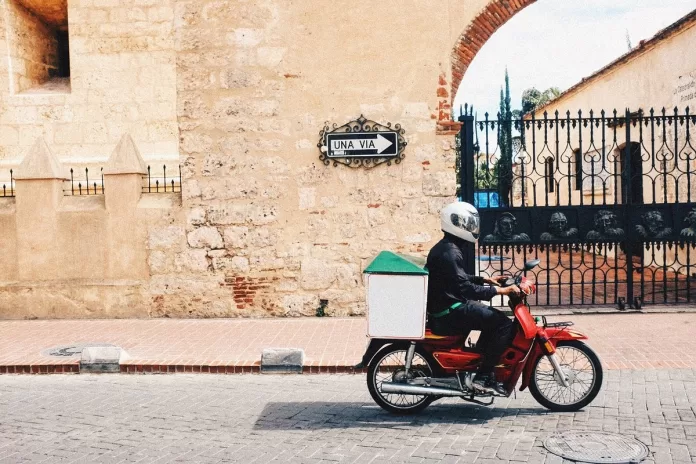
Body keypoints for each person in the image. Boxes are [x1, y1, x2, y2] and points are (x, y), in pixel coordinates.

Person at [426, 202, 521, 395]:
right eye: (467, 223)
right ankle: (484, 376)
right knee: (503, 324)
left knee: (490, 319)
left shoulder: (448, 248)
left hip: (449, 305)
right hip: (449, 311)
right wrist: (502, 292)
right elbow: (466, 288)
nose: (471, 228)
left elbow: (456, 277)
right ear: (455, 224)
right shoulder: (450, 252)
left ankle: (481, 362)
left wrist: (485, 279)